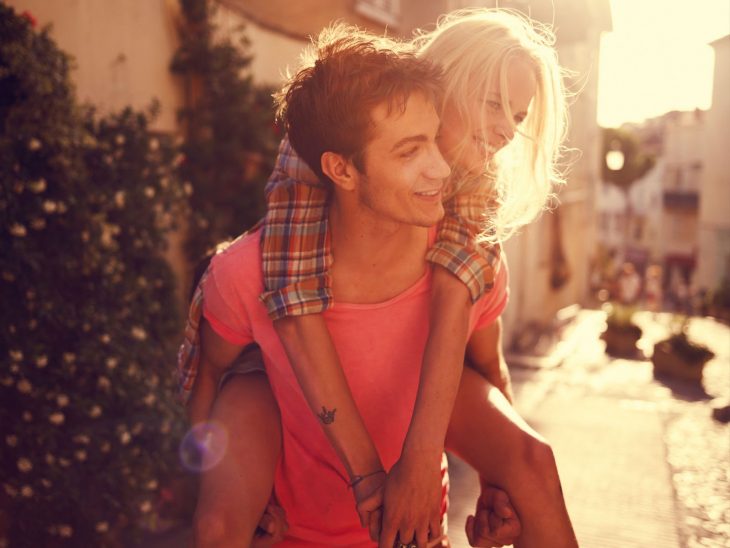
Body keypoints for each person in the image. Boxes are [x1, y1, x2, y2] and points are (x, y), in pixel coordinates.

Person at [181, 9, 577, 547]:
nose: (508, 127)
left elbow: (476, 341)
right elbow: (290, 306)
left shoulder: (470, 205)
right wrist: (233, 482)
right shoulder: (325, 164)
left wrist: (492, 478)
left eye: (520, 114)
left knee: (535, 464)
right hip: (283, 423)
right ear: (444, 87)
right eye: (494, 104)